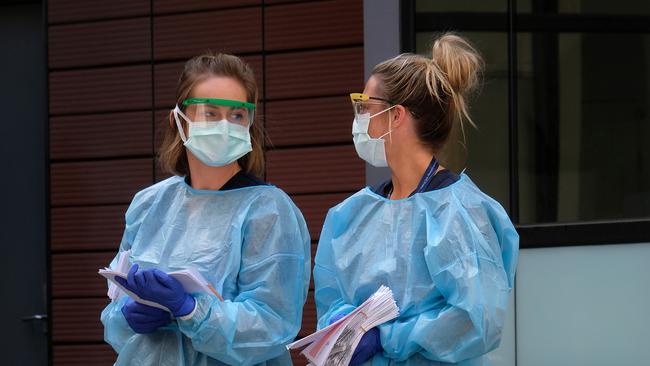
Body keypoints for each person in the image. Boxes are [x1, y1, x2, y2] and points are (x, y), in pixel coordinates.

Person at [314, 33, 519, 365]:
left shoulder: (460, 212)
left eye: (366, 106)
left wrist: (386, 337)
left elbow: (476, 320)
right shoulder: (350, 215)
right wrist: (348, 332)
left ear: (397, 116)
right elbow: (331, 300)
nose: (359, 118)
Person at [101, 52, 311, 366]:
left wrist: (190, 309)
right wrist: (128, 316)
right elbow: (115, 311)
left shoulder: (268, 210)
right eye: (209, 113)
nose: (224, 125)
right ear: (178, 120)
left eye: (237, 115)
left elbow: (272, 324)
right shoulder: (149, 205)